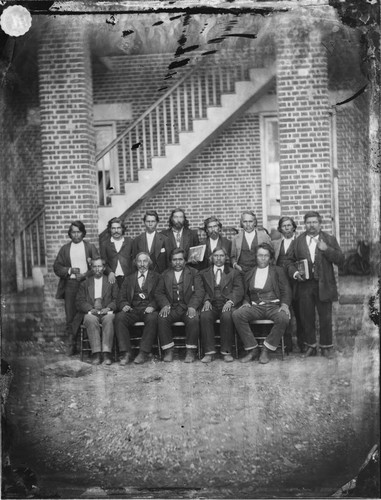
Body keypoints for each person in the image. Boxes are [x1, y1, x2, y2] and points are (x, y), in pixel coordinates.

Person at [287, 211, 344, 359]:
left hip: (324, 284)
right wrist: (295, 273)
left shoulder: (329, 239)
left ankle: (326, 347)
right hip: (305, 285)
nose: (311, 225)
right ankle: (310, 346)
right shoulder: (298, 241)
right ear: (305, 224)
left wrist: (327, 249)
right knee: (307, 317)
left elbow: (340, 259)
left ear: (320, 224)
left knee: (325, 317)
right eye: (308, 222)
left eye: (314, 222)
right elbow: (288, 261)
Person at [232, 243, 291, 364]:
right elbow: (245, 292)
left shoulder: (278, 271)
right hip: (256, 307)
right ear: (256, 257)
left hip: (274, 306)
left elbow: (286, 290)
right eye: (260, 255)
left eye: (266, 255)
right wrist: (246, 302)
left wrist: (284, 305)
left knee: (284, 317)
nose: (263, 258)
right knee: (237, 314)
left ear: (270, 258)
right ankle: (253, 349)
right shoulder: (249, 273)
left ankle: (266, 349)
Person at [53, 220, 99, 355]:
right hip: (71, 285)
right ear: (70, 234)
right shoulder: (65, 249)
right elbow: (57, 267)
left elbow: (98, 266)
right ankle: (72, 344)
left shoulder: (90, 247)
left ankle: (88, 345)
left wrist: (85, 274)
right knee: (71, 314)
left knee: (87, 311)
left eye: (79, 232)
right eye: (73, 232)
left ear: (83, 233)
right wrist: (69, 271)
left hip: (87, 284)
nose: (76, 235)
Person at [155, 248, 204, 363]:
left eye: (180, 259)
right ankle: (169, 350)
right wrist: (165, 305)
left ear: (185, 260)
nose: (177, 262)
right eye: (174, 260)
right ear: (171, 261)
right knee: (162, 318)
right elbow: (159, 293)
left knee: (193, 319)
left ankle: (190, 351)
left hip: (187, 307)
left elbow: (199, 292)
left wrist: (192, 306)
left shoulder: (193, 273)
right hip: (171, 308)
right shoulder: (165, 274)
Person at [115, 252, 160, 365]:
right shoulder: (129, 278)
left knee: (153, 317)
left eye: (145, 261)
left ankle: (143, 352)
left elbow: (161, 295)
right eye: (139, 261)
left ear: (149, 263)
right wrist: (124, 305)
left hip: (148, 309)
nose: (142, 264)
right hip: (133, 309)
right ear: (135, 263)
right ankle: (126, 352)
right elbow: (121, 297)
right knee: (120, 317)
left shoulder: (157, 277)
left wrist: (153, 306)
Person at [199, 248, 244, 363]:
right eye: (216, 256)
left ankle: (226, 352)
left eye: (221, 256)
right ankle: (209, 352)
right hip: (211, 303)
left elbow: (238, 290)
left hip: (226, 304)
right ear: (211, 257)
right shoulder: (203, 273)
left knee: (227, 316)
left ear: (226, 257)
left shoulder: (234, 273)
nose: (218, 258)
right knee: (205, 315)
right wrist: (206, 300)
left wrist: (230, 301)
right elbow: (200, 290)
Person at [75, 258, 118, 365]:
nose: (97, 269)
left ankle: (107, 353)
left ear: (104, 268)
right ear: (91, 268)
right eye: (95, 266)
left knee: (109, 319)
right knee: (90, 319)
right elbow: (79, 301)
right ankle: (96, 353)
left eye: (100, 266)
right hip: (92, 312)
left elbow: (117, 299)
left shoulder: (111, 281)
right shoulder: (85, 283)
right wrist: (90, 309)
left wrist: (109, 308)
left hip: (106, 311)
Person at [272, 216, 304, 352]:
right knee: (284, 313)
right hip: (281, 284)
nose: (286, 228)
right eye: (284, 226)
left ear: (294, 227)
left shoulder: (300, 243)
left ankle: (303, 345)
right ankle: (287, 345)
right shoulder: (276, 244)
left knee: (300, 313)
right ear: (280, 229)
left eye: (289, 225)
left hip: (297, 283)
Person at [100, 217, 133, 289]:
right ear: (110, 229)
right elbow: (103, 262)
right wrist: (109, 272)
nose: (116, 231)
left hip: (128, 279)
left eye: (118, 228)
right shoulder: (105, 244)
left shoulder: (130, 242)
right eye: (113, 228)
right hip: (112, 280)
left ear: (122, 229)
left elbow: (134, 260)